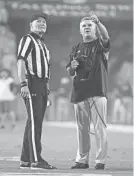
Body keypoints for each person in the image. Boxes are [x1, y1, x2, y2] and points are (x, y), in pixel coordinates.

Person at [66, 12, 110, 170]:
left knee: (100, 128)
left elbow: (106, 37)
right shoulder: (75, 48)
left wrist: (98, 22)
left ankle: (100, 160)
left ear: (95, 29)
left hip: (97, 91)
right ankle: (82, 160)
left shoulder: (101, 45)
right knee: (81, 129)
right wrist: (72, 66)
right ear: (80, 30)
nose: (86, 28)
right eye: (83, 26)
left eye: (89, 25)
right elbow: (69, 71)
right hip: (79, 93)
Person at [17, 13, 56, 170]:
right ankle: (36, 159)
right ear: (31, 26)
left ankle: (25, 159)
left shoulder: (43, 45)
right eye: (38, 22)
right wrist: (23, 84)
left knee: (34, 122)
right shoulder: (28, 39)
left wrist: (46, 89)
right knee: (35, 123)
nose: (42, 24)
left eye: (44, 22)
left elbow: (46, 69)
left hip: (41, 85)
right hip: (31, 83)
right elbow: (20, 61)